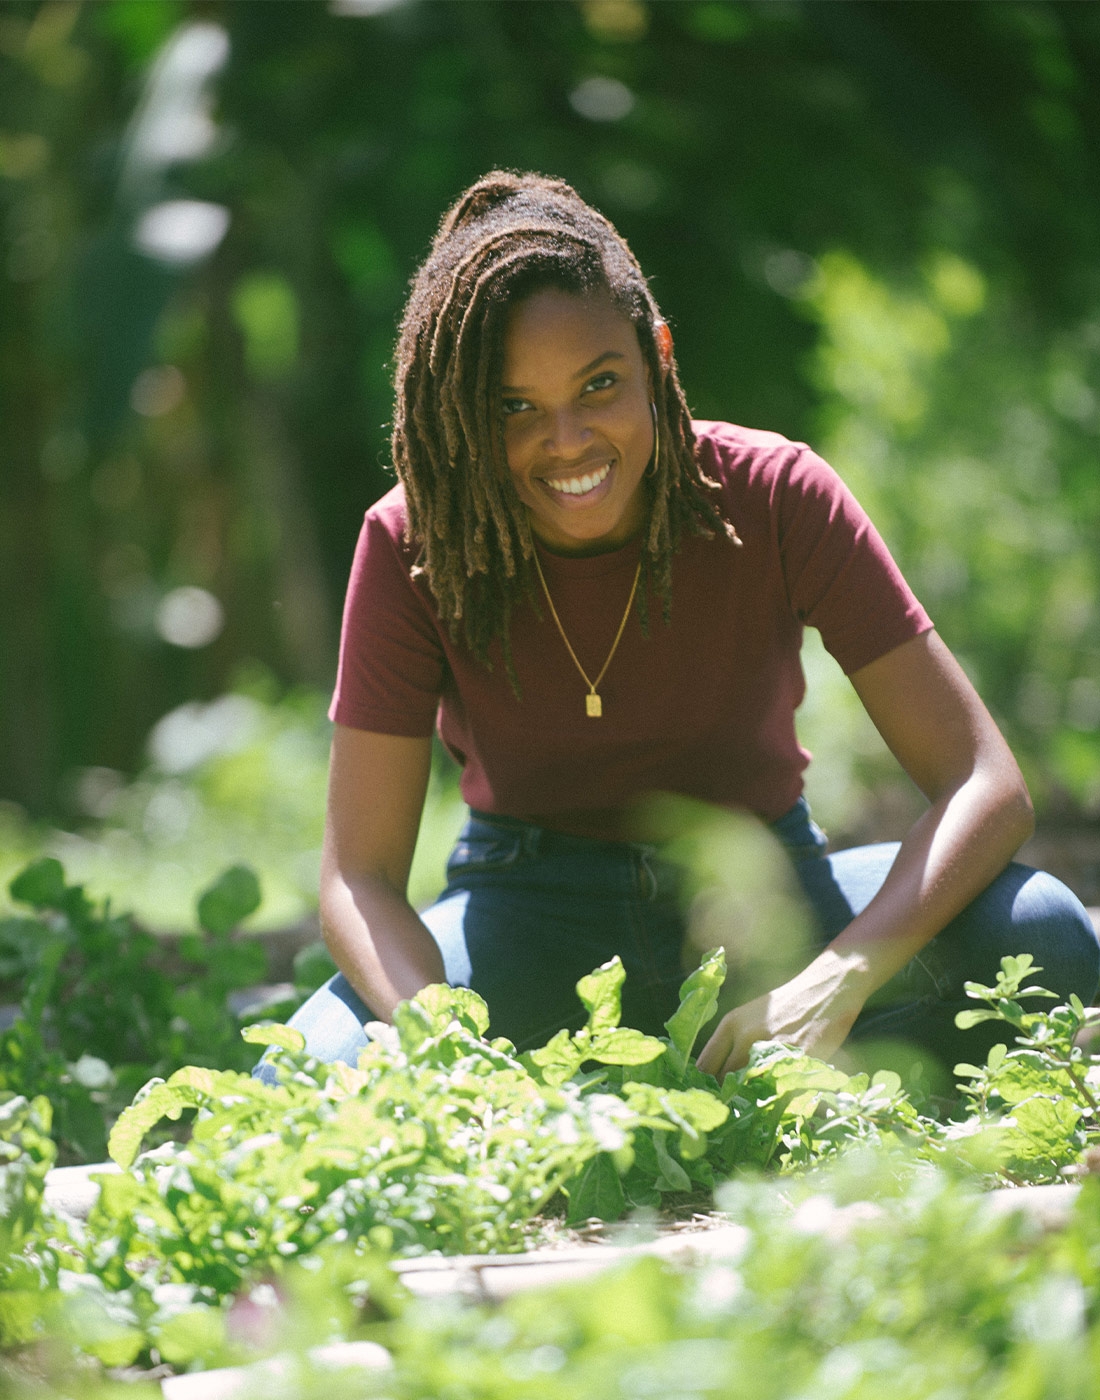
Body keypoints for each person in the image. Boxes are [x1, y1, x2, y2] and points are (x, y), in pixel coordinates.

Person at [256, 171, 1098, 1089]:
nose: (568, 439)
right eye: (515, 408)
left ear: (656, 354)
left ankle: (764, 1087)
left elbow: (985, 782)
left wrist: (835, 978)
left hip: (763, 910)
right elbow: (359, 878)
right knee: (304, 1076)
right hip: (523, 920)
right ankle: (604, 1110)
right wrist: (448, 1050)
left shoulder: (777, 495)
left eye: (600, 384)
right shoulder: (414, 542)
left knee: (1045, 935)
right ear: (463, 411)